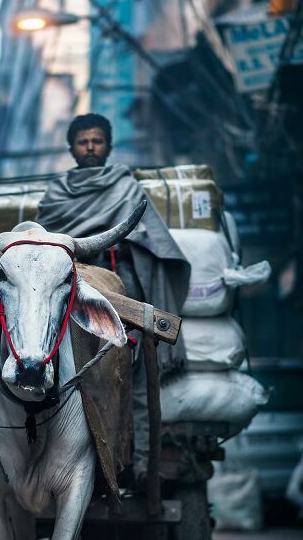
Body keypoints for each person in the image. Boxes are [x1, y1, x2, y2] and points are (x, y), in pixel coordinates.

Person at [36, 113, 190, 479]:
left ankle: (136, 467)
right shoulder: (56, 193)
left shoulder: (127, 188)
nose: (90, 147)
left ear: (107, 146)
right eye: (83, 141)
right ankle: (48, 464)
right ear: (71, 148)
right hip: (68, 290)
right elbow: (42, 245)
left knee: (134, 379)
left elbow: (151, 237)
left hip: (121, 291)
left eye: (97, 141)